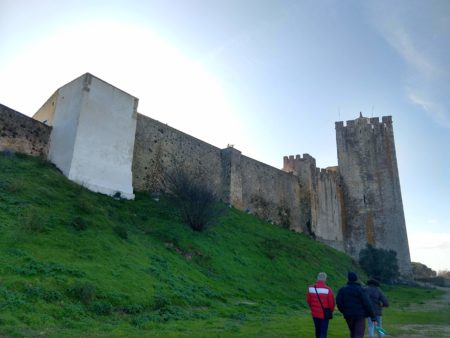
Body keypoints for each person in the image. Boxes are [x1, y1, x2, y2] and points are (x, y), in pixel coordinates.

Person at [336, 272, 377, 338]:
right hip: (360, 315)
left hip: (348, 315)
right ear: (356, 279)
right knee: (358, 334)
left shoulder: (342, 290)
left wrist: (344, 311)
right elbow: (367, 303)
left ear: (348, 279)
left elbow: (339, 303)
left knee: (352, 332)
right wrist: (373, 317)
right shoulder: (360, 289)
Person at [307, 272, 336, 338]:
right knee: (323, 332)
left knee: (317, 331)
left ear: (318, 278)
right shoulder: (328, 289)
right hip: (324, 314)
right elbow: (332, 303)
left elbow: (309, 301)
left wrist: (313, 308)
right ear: (325, 279)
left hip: (314, 313)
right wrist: (330, 311)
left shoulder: (310, 288)